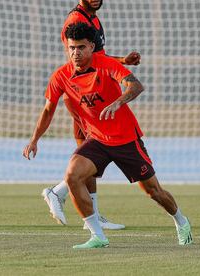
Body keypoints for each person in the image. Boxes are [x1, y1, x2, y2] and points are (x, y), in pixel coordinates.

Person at [23, 22, 193, 249]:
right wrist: (34, 139)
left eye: (81, 47)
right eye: (72, 48)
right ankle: (97, 235)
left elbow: (136, 86)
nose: (76, 53)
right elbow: (48, 110)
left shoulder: (107, 65)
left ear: (92, 46)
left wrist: (118, 102)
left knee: (154, 192)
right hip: (97, 140)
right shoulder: (61, 76)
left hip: (126, 139)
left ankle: (181, 221)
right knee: (73, 175)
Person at [42, 0, 141, 230]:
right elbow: (81, 60)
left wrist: (122, 61)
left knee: (93, 155)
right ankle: (57, 192)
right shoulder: (76, 19)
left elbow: (97, 56)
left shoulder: (93, 17)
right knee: (94, 151)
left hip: (94, 90)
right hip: (83, 93)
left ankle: (91, 214)